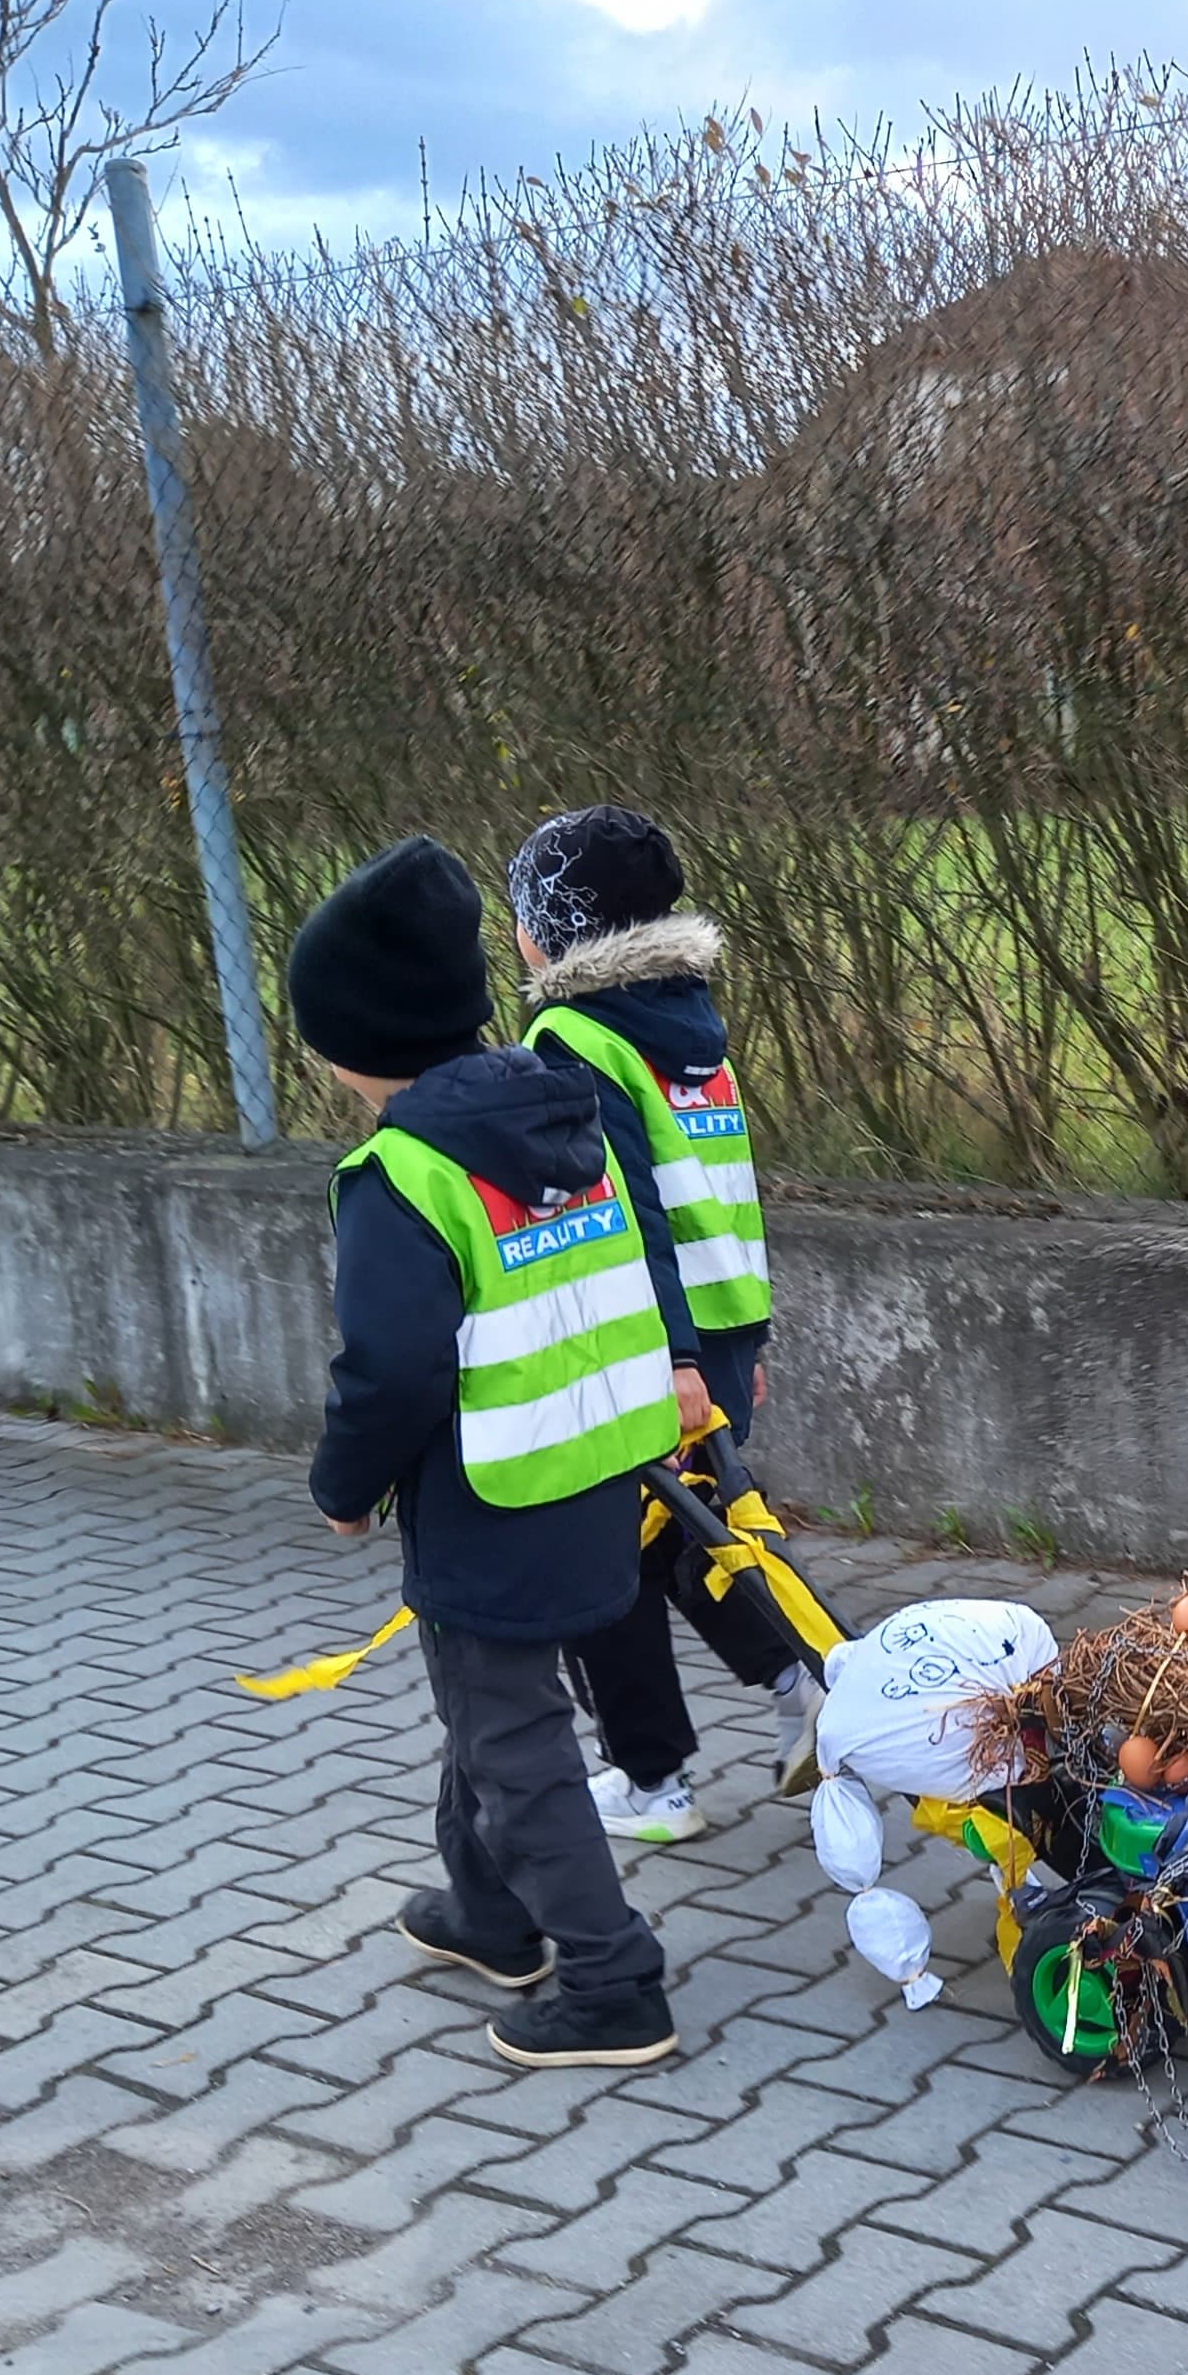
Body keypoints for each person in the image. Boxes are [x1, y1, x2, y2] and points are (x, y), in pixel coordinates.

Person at [291, 833, 681, 2071]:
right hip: (597, 1470)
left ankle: (612, 1982)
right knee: (490, 1711)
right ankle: (490, 1914)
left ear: (357, 1039)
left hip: (490, 1498)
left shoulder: (400, 1173)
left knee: (512, 1739)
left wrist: (344, 1488)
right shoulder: (561, 1112)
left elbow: (389, 1369)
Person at [503, 804, 809, 1843]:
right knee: (686, 1535)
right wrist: (740, 1344)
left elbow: (627, 1211)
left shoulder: (572, 1037)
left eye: (523, 909)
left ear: (555, 926)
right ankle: (800, 1680)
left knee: (602, 1561)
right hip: (719, 1326)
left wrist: (672, 1359)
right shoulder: (693, 1026)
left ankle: (652, 1784)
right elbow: (725, 1191)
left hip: (646, 1341)